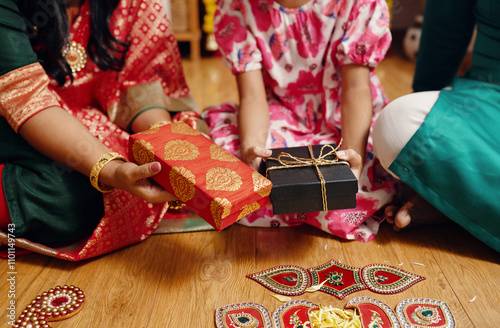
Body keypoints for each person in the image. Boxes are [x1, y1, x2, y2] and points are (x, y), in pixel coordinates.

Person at [0, 0, 202, 260]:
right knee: (69, 199)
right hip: (13, 116)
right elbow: (26, 99)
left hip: (87, 120)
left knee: (177, 148)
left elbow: (141, 81)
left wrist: (162, 141)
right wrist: (112, 169)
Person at [202, 0, 397, 241]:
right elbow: (253, 97)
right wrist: (250, 151)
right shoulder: (237, 7)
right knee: (232, 172)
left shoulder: (360, 4)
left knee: (364, 178)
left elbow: (355, 91)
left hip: (344, 116)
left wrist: (351, 160)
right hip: (281, 111)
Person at [372, 0, 500, 252]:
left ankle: (455, 201)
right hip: (487, 98)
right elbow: (445, 26)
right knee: (396, 126)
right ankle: (457, 198)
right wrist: (431, 135)